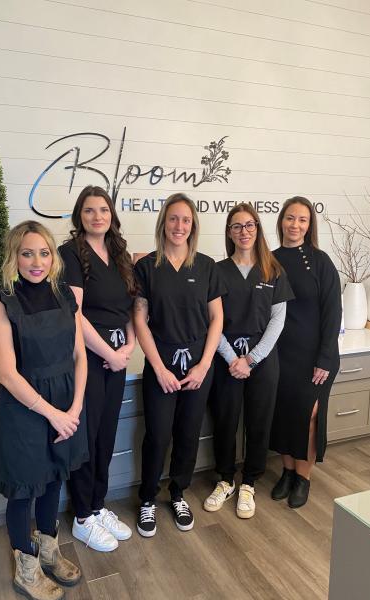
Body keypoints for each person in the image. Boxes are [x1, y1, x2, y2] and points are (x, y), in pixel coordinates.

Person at [0, 220, 87, 600]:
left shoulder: (64, 295)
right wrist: (54, 414)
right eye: (27, 253)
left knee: (53, 480)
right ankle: (26, 569)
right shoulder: (2, 302)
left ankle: (48, 550)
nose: (36, 261)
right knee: (23, 491)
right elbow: (9, 375)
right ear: (15, 256)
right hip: (24, 409)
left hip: (65, 403)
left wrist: (74, 407)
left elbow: (79, 355)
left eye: (44, 252)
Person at [133, 192, 225, 537]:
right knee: (157, 435)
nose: (179, 226)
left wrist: (203, 366)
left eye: (186, 220)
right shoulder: (146, 267)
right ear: (163, 223)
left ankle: (177, 492)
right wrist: (158, 367)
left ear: (193, 226)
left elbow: (217, 319)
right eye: (173, 218)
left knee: (188, 433)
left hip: (199, 366)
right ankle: (147, 498)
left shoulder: (206, 266)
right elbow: (140, 320)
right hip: (161, 365)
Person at [58, 185, 137, 552]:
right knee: (86, 438)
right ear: (80, 216)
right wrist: (109, 351)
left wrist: (129, 346)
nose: (97, 217)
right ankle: (82, 516)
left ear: (111, 214)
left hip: (117, 358)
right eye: (89, 211)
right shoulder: (70, 253)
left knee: (106, 434)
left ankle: (99, 504)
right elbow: (75, 313)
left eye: (103, 210)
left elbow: (132, 306)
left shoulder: (119, 252)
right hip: (88, 358)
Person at [204, 203, 294, 518]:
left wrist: (252, 359)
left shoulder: (273, 270)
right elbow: (212, 319)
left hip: (263, 360)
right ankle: (226, 479)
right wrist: (232, 358)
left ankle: (249, 483)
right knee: (225, 422)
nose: (244, 231)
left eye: (250, 225)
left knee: (259, 422)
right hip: (226, 358)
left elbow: (278, 321)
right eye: (237, 226)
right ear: (229, 232)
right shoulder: (217, 270)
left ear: (257, 229)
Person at [270, 196, 342, 508]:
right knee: (284, 415)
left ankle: (303, 477)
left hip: (316, 356)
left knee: (309, 416)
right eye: (290, 218)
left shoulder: (321, 261)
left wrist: (325, 358)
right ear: (281, 221)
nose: (295, 225)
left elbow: (333, 312)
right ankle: (286, 471)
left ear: (309, 224)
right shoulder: (268, 259)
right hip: (279, 354)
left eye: (302, 220)